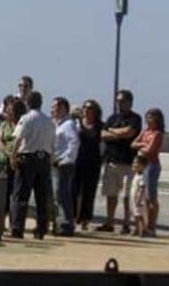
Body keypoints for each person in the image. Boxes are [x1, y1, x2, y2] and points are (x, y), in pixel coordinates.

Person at [9, 91, 55, 240]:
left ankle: (17, 228)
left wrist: (13, 156)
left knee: (21, 195)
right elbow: (52, 143)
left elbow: (18, 139)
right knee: (42, 197)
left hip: (28, 159)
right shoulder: (49, 121)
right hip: (44, 160)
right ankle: (41, 229)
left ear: (28, 103)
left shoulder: (26, 118)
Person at [97, 89, 142, 234]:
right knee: (111, 194)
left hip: (128, 162)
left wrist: (113, 132)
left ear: (129, 102)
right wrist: (119, 133)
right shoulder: (112, 118)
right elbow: (103, 135)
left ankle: (126, 224)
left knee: (127, 196)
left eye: (122, 101)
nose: (119, 103)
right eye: (118, 101)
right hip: (111, 161)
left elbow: (130, 133)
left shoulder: (136, 118)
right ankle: (109, 222)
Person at [0, 96, 25, 228]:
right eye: (8, 110)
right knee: (3, 195)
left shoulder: (22, 124)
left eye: (11, 110)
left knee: (16, 194)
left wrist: (14, 156)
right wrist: (10, 155)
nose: (8, 112)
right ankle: (1, 222)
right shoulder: (3, 125)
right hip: (4, 162)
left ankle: (13, 223)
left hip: (18, 162)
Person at [131, 108, 164, 237]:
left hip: (152, 165)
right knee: (139, 195)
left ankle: (151, 226)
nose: (149, 119)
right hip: (142, 165)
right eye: (148, 116)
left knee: (151, 196)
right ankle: (141, 226)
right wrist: (144, 144)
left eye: (152, 116)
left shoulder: (157, 133)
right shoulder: (145, 131)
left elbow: (150, 150)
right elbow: (133, 144)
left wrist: (142, 145)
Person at [73, 99, 104, 231]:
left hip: (93, 162)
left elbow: (103, 142)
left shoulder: (100, 125)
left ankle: (85, 219)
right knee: (74, 191)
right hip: (77, 160)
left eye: (90, 108)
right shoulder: (77, 123)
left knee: (89, 192)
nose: (86, 110)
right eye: (85, 107)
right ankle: (74, 217)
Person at [51, 96, 79, 236]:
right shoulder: (58, 124)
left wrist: (64, 159)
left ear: (63, 108)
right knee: (59, 195)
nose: (52, 109)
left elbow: (73, 143)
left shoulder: (68, 125)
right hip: (57, 164)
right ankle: (61, 223)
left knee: (62, 195)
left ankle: (66, 225)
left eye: (55, 107)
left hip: (64, 165)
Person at [130, 155, 148, 237]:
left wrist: (139, 199)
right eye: (134, 162)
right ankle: (137, 229)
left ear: (143, 166)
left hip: (139, 200)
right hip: (134, 199)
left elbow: (142, 188)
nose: (134, 165)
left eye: (137, 163)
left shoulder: (142, 177)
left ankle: (143, 229)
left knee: (139, 215)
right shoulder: (136, 175)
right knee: (135, 214)